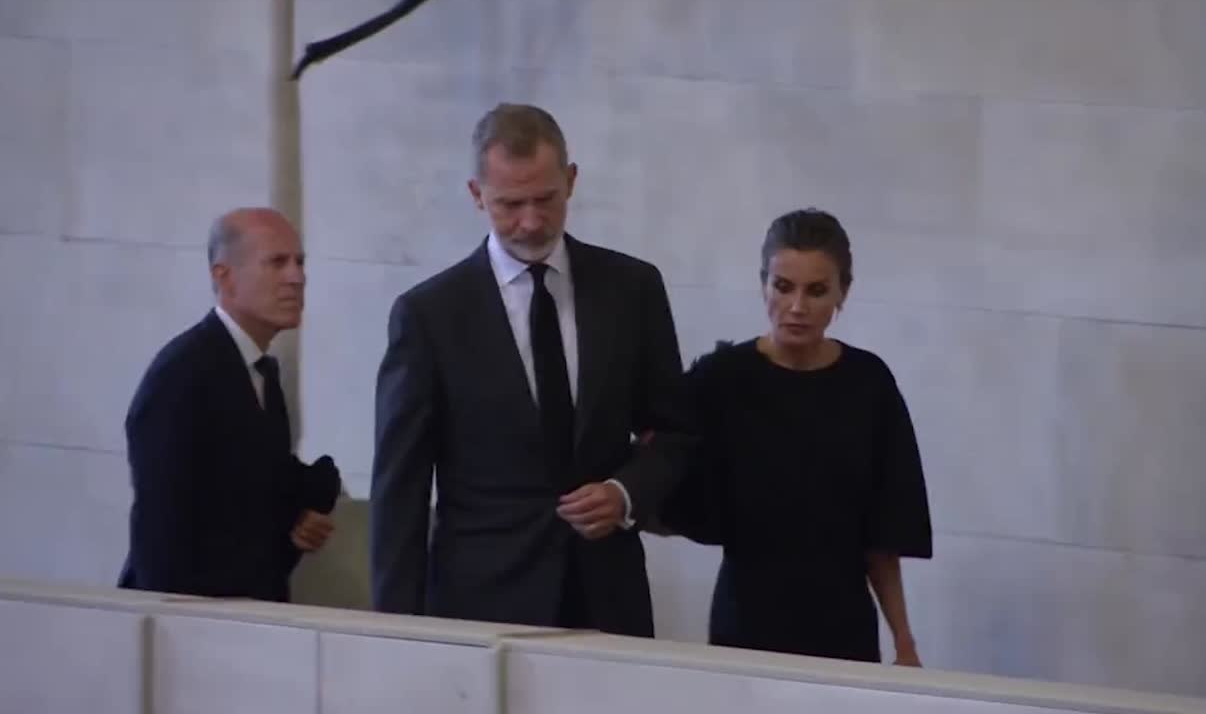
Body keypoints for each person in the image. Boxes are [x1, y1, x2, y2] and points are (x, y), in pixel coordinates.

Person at [371, 103, 694, 636]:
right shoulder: (429, 315)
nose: (530, 221)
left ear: (571, 180)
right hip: (481, 602)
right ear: (477, 195)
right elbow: (400, 487)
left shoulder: (631, 289)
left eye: (545, 199)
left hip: (607, 595)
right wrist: (393, 632)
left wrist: (624, 492)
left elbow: (676, 432)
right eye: (509, 204)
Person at [660, 207, 932, 664]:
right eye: (783, 287)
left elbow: (884, 530)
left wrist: (904, 641)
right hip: (745, 621)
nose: (797, 307)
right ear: (763, 285)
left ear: (843, 292)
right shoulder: (720, 379)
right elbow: (661, 471)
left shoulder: (868, 383)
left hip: (843, 624)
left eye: (816, 290)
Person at [117, 207, 342, 602]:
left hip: (247, 612)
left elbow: (261, 484)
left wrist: (303, 515)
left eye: (300, 262)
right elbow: (161, 536)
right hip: (194, 620)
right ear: (224, 277)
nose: (296, 277)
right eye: (277, 262)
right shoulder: (182, 375)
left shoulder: (259, 371)